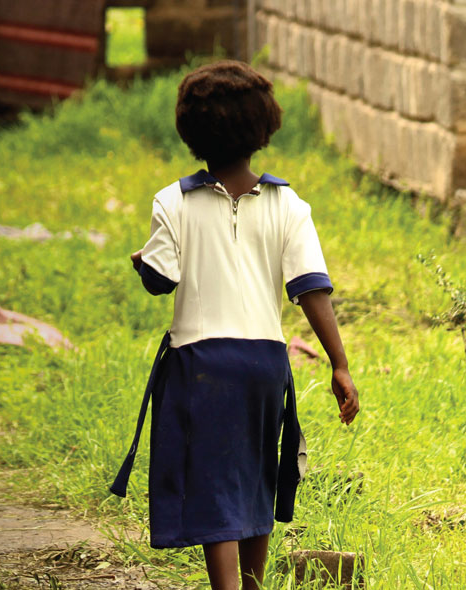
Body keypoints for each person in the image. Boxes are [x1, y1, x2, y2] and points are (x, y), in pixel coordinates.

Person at [108, 60, 361, 590]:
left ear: (190, 132)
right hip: (265, 362)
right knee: (255, 476)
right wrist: (339, 364)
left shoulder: (173, 201)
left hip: (202, 362)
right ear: (264, 128)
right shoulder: (287, 203)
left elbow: (160, 281)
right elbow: (311, 288)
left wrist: (141, 261)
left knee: (213, 481)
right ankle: (252, 584)